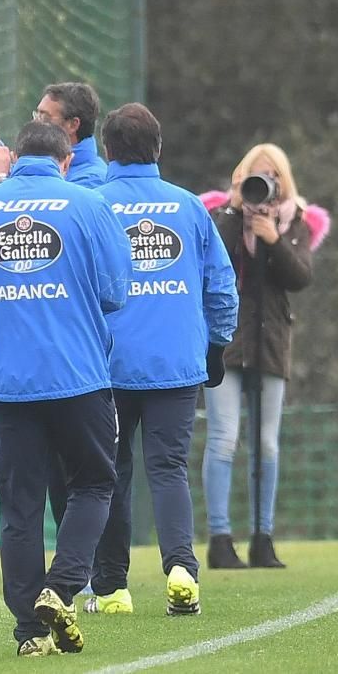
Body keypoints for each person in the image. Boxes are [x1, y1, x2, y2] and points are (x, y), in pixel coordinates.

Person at [0, 121, 131, 657]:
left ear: (15, 157)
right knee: (95, 483)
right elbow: (116, 290)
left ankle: (29, 631)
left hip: (8, 380)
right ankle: (64, 584)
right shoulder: (88, 205)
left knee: (20, 506)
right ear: (66, 159)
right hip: (79, 375)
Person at [87, 103, 238, 616]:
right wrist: (216, 345)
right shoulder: (190, 207)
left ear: (107, 150)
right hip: (176, 364)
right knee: (169, 468)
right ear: (158, 149)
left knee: (111, 473)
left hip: (107, 367)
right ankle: (181, 570)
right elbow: (222, 286)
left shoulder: (91, 204)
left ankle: (112, 589)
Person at [0, 81, 105, 527]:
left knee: (79, 481)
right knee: (41, 486)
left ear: (73, 127)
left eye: (45, 117)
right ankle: (67, 582)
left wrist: (5, 179)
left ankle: (81, 579)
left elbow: (109, 284)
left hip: (76, 359)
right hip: (34, 361)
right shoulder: (57, 181)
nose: (35, 120)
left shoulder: (89, 187)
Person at [202, 143, 313, 569]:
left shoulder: (294, 221)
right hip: (227, 343)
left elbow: (301, 276)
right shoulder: (221, 218)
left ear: (284, 183)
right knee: (223, 438)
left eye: (272, 176)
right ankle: (219, 539)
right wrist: (234, 212)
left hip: (271, 342)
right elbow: (213, 264)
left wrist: (275, 241)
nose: (264, 185)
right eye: (255, 176)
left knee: (266, 443)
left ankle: (263, 538)